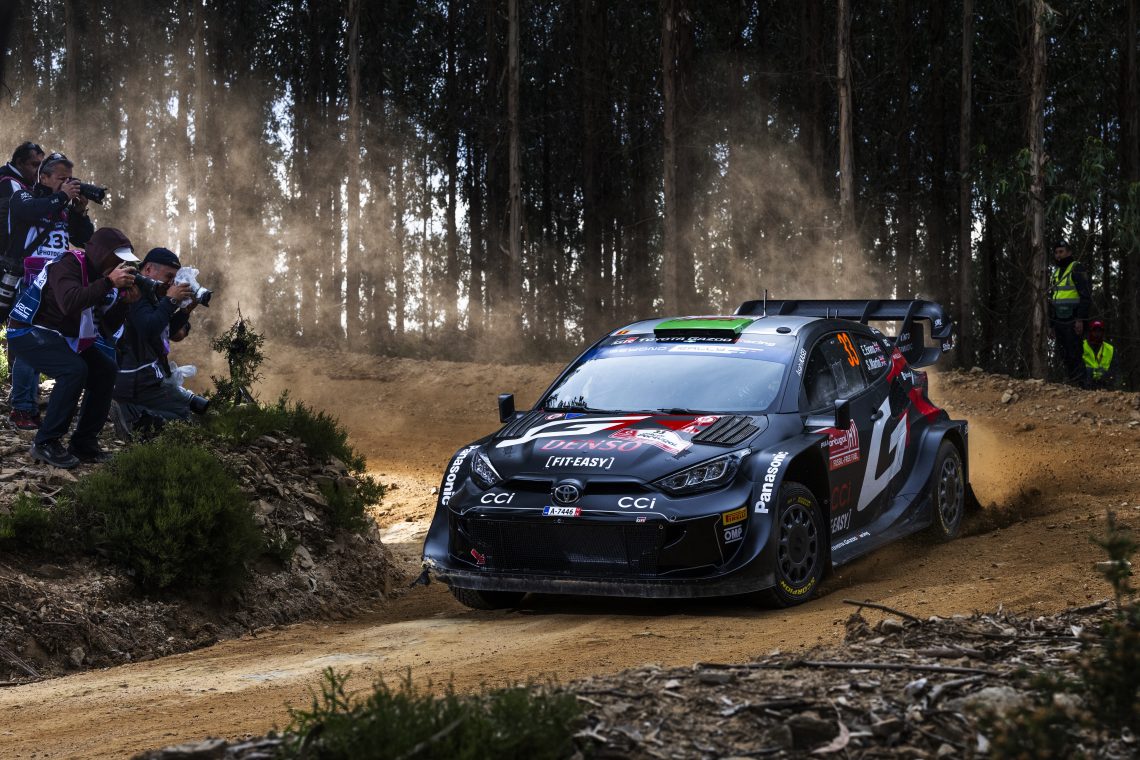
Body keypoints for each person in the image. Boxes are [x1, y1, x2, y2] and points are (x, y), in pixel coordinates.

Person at [5, 227, 139, 468]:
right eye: (117, 258)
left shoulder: (101, 276)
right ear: (101, 254)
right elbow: (69, 302)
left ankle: (83, 444)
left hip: (61, 336)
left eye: (124, 261)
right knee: (74, 370)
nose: (120, 265)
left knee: (105, 370)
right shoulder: (69, 264)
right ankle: (46, 442)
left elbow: (106, 327)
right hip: (27, 330)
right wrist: (108, 282)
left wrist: (124, 304)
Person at [5, 151, 95, 430]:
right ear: (43, 177)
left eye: (70, 179)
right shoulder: (24, 195)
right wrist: (62, 197)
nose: (68, 184)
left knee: (49, 339)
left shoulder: (64, 206)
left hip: (57, 281)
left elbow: (84, 239)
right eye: (61, 178)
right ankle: (22, 408)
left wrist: (79, 212)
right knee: (29, 340)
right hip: (30, 279)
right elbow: (29, 211)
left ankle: (37, 404)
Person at [111, 247, 200, 438]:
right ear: (149, 269)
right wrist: (171, 301)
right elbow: (149, 329)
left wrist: (185, 311)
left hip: (144, 378)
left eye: (174, 278)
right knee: (185, 417)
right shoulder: (135, 292)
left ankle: (134, 413)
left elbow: (162, 331)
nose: (172, 283)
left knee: (194, 408)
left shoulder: (153, 295)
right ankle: (131, 416)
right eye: (169, 276)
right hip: (135, 380)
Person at [1048, 241, 1092, 386]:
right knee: (1064, 355)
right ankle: (1071, 384)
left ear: (1069, 252)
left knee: (1075, 354)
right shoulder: (1055, 272)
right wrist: (1051, 325)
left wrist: (1080, 319)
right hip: (1059, 321)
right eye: (1056, 252)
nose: (1058, 255)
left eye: (1061, 251)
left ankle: (1082, 386)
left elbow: (1085, 296)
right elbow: (1052, 299)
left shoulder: (1076, 268)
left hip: (1073, 320)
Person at [1082, 320, 1116, 390]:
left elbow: (1115, 368)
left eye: (1099, 331)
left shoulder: (1109, 349)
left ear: (1102, 333)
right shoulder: (1082, 345)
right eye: (1094, 331)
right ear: (1090, 332)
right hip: (1085, 382)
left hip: (1104, 383)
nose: (1097, 333)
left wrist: (1107, 373)